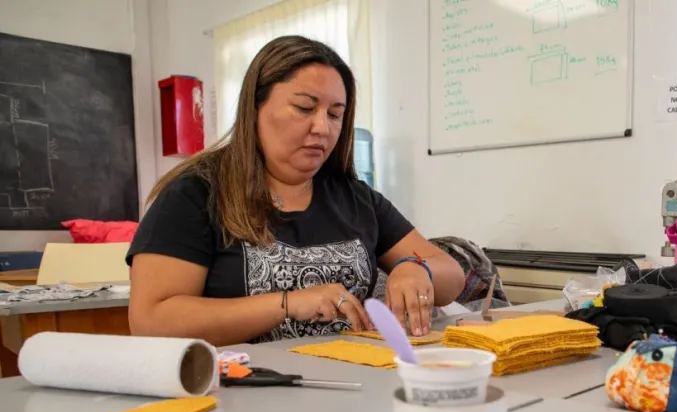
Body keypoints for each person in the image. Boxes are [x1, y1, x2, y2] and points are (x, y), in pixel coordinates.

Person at [127, 36, 464, 346]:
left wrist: (416, 267)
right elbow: (151, 321)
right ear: (255, 107)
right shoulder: (195, 195)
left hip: (355, 381)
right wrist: (286, 304)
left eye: (335, 115)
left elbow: (452, 275)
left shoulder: (354, 198)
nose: (322, 128)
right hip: (244, 394)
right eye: (304, 108)